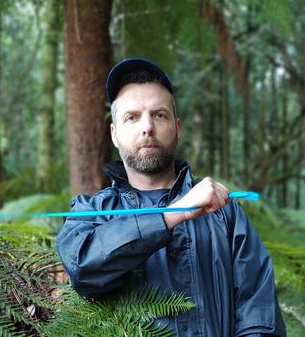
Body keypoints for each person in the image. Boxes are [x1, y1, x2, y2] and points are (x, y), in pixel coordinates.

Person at [56, 58, 286, 336]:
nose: (147, 127)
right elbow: (83, 270)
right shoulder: (92, 211)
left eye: (159, 115)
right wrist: (173, 215)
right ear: (114, 134)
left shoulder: (224, 212)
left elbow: (259, 316)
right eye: (132, 117)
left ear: (178, 127)